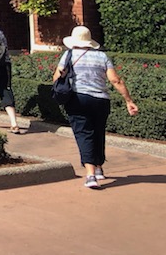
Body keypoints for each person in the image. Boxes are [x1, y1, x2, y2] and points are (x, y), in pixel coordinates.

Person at [52, 26, 138, 189]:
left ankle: (91, 174)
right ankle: (98, 167)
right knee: (98, 132)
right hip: (101, 100)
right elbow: (115, 80)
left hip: (78, 99)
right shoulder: (102, 56)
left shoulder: (68, 55)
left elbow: (56, 77)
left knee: (84, 133)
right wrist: (128, 100)